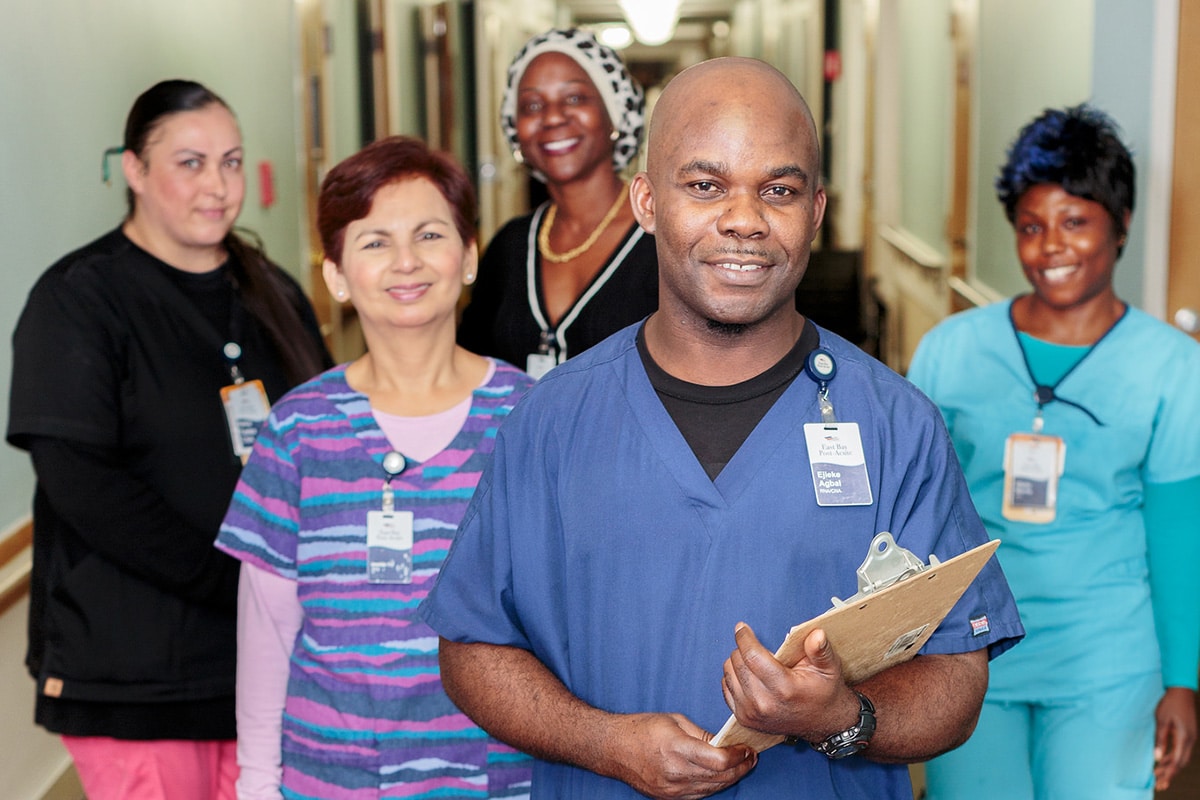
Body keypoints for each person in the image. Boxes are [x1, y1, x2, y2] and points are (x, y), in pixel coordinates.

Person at [420, 57, 1023, 799]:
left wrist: (842, 717)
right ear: (645, 201)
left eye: (779, 189)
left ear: (817, 211)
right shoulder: (552, 420)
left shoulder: (896, 425)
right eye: (705, 186)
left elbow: (957, 677)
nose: (744, 219)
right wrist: (605, 743)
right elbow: (472, 647)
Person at [6, 79, 331, 800]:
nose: (218, 186)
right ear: (134, 170)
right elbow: (85, 486)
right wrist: (236, 576)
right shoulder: (79, 300)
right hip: (137, 671)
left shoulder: (270, 290)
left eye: (232, 161)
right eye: (190, 163)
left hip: (264, 664)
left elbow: (322, 437)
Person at [215, 135, 536, 799]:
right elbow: (268, 633)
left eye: (429, 234)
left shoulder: (532, 420)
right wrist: (255, 782)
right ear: (335, 275)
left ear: (469, 256)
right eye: (374, 242)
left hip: (501, 779)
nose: (406, 262)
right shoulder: (297, 429)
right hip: (331, 777)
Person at [908, 105, 1200, 799]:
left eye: (1075, 223)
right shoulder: (952, 352)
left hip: (1109, 659)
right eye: (1031, 227)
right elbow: (911, 512)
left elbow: (1176, 534)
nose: (1050, 248)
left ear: (1120, 226)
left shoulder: (1172, 368)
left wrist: (1183, 683)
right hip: (971, 650)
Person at [457, 27, 658, 378]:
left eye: (575, 98)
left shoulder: (663, 236)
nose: (551, 117)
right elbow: (471, 367)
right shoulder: (509, 247)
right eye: (532, 105)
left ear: (615, 113)